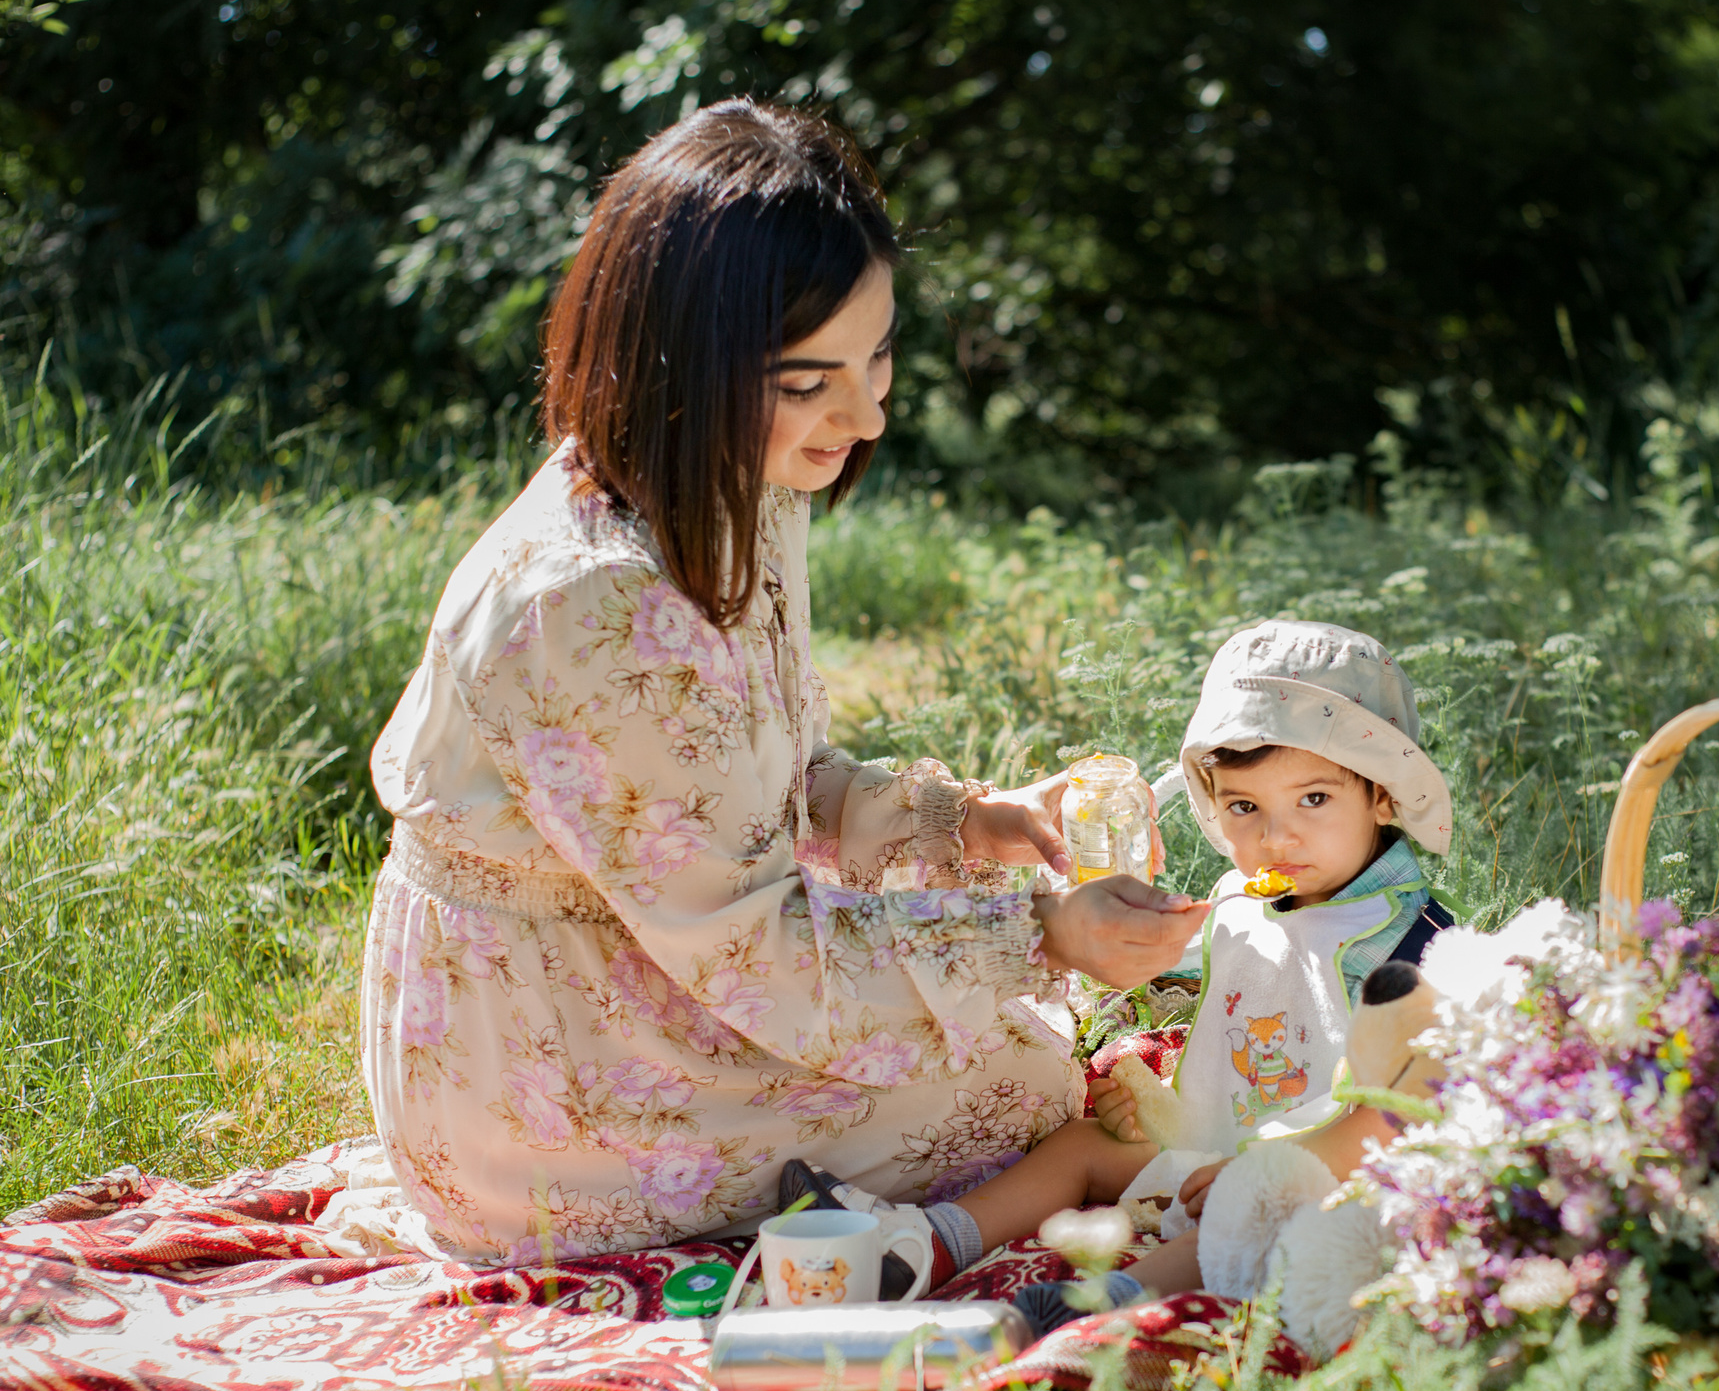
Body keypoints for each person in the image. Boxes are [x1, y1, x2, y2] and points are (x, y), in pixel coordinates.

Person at [353, 101, 1207, 1264]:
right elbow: (749, 947)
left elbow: (762, 790)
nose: (865, 415)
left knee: (1019, 1048)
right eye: (810, 381)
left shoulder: (732, 489)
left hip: (649, 966)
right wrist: (1040, 935)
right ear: (681, 366)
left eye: (878, 354)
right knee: (1019, 1081)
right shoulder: (584, 601)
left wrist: (976, 825)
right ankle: (911, 1242)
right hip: (540, 1057)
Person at [780, 620, 1456, 1305]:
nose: (1275, 835)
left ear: (1381, 792)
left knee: (1249, 1222)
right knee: (1080, 1145)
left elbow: (1408, 1111)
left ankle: (1105, 1316)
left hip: (1311, 1175)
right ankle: (923, 1243)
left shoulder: (1412, 943)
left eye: (1314, 798)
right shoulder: (1238, 903)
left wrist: (1268, 1173)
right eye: (1245, 806)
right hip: (1209, 1149)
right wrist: (1152, 1107)